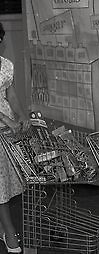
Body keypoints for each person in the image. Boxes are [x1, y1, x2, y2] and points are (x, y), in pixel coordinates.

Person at [0, 22, 30, 253]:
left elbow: (10, 93)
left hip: (7, 131)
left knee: (8, 182)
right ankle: (10, 233)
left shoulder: (6, 65)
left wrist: (20, 115)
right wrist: (6, 120)